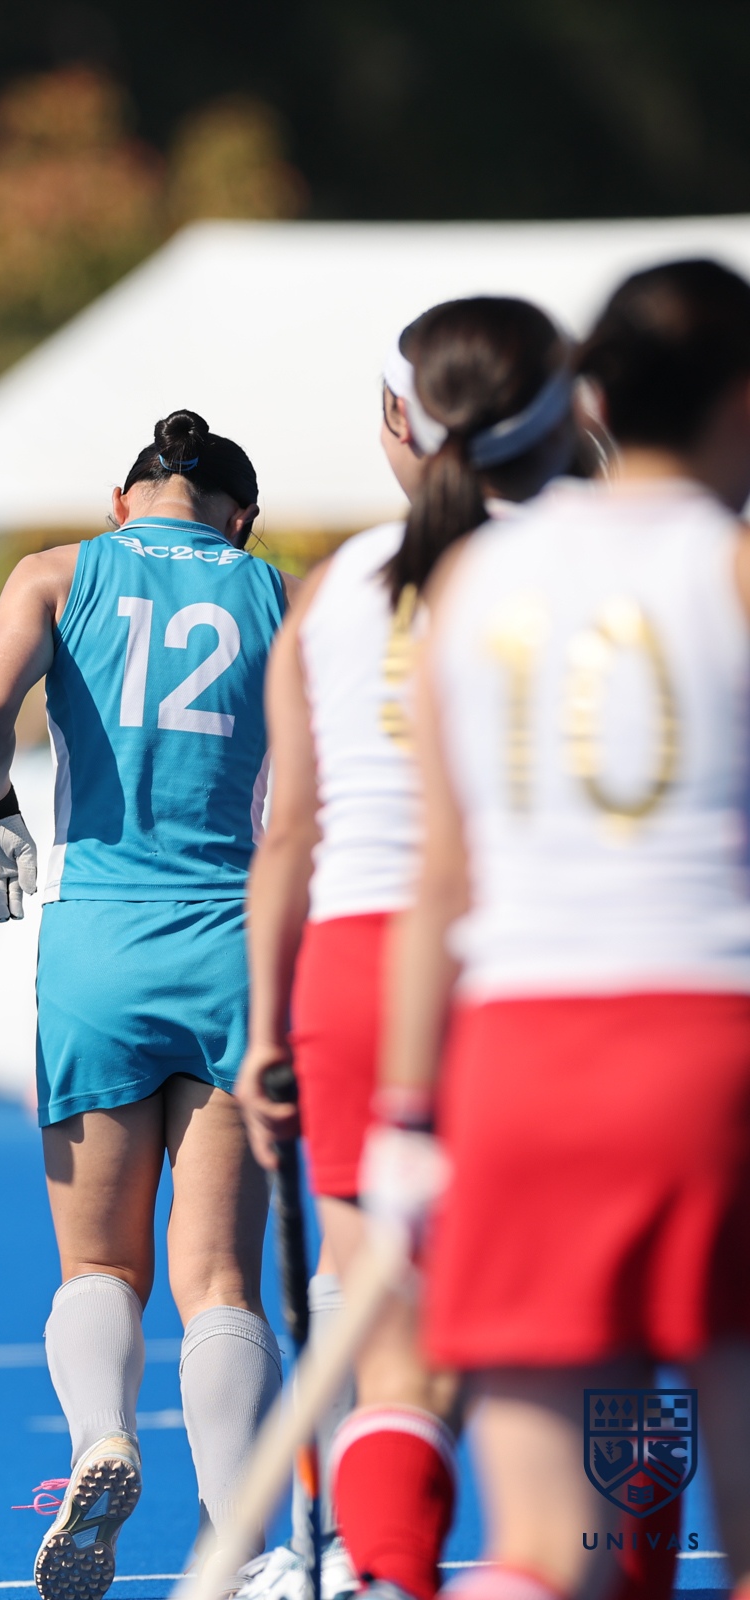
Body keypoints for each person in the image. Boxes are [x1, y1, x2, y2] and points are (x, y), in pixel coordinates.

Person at [380, 259, 750, 1600]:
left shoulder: (472, 583)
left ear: (595, 398)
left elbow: (443, 879)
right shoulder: (736, 566)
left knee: (545, 1553)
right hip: (712, 1048)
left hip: (521, 1062)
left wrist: (405, 1119)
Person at [235, 297, 575, 1600]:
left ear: (399, 423)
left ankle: (382, 1570)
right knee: (585, 1327)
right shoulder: (588, 561)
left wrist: (265, 1030)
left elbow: (290, 836)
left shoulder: (332, 591)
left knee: (388, 1348)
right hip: (519, 966)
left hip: (350, 973)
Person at [0, 410, 289, 1600]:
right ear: (240, 518)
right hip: (231, 942)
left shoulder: (57, 573)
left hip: (100, 938)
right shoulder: (279, 595)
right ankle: (236, 1544)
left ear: (122, 499)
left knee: (99, 1261)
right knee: (223, 1279)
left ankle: (102, 1434)